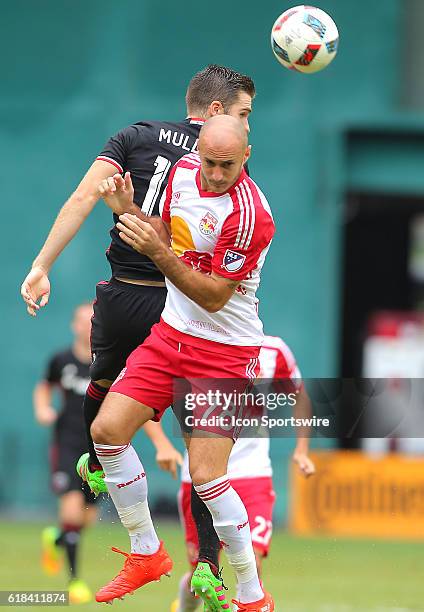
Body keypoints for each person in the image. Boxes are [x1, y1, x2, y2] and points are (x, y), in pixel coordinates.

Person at [20, 64, 255, 501]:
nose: (245, 124)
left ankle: (95, 462)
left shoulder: (135, 135)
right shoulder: (224, 164)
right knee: (198, 438)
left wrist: (41, 265)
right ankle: (207, 561)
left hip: (124, 291)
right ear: (217, 110)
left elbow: (84, 195)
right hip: (182, 308)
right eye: (244, 113)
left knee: (103, 383)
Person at [90, 114, 275, 611]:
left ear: (246, 157)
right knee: (107, 431)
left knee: (208, 476)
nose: (215, 174)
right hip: (172, 334)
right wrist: (129, 211)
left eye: (227, 165)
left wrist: (157, 253)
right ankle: (147, 552)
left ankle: (252, 596)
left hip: (226, 352)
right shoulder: (180, 173)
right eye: (210, 162)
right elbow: (167, 235)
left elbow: (214, 295)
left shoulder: (252, 214)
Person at [171, 335, 316, 612]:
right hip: (202, 475)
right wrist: (162, 444)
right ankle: (185, 607)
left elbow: (300, 396)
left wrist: (302, 449)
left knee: (252, 562)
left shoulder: (273, 350)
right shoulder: (196, 343)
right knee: (202, 577)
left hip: (252, 472)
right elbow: (152, 395)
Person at [33, 303, 97, 604]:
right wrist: (43, 408)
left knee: (87, 519)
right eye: (83, 321)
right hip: (67, 444)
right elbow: (44, 387)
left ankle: (55, 537)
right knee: (72, 511)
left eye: (93, 321)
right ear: (74, 325)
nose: (88, 326)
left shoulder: (106, 361)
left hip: (98, 448)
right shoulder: (61, 360)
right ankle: (74, 582)